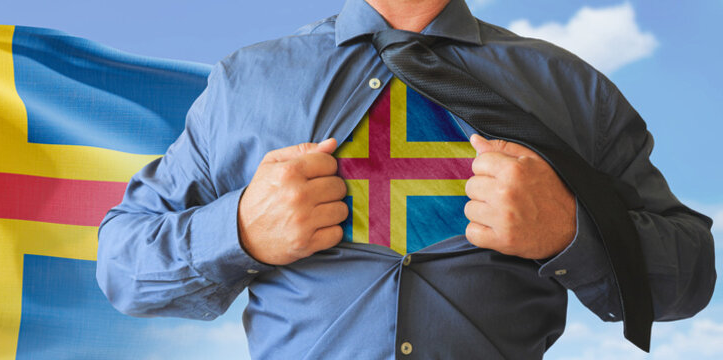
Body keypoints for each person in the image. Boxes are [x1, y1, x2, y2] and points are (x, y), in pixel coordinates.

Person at [96, 0, 716, 358]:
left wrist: (571, 231)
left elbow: (690, 278)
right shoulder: (245, 83)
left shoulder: (571, 89)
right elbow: (123, 266)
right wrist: (239, 232)